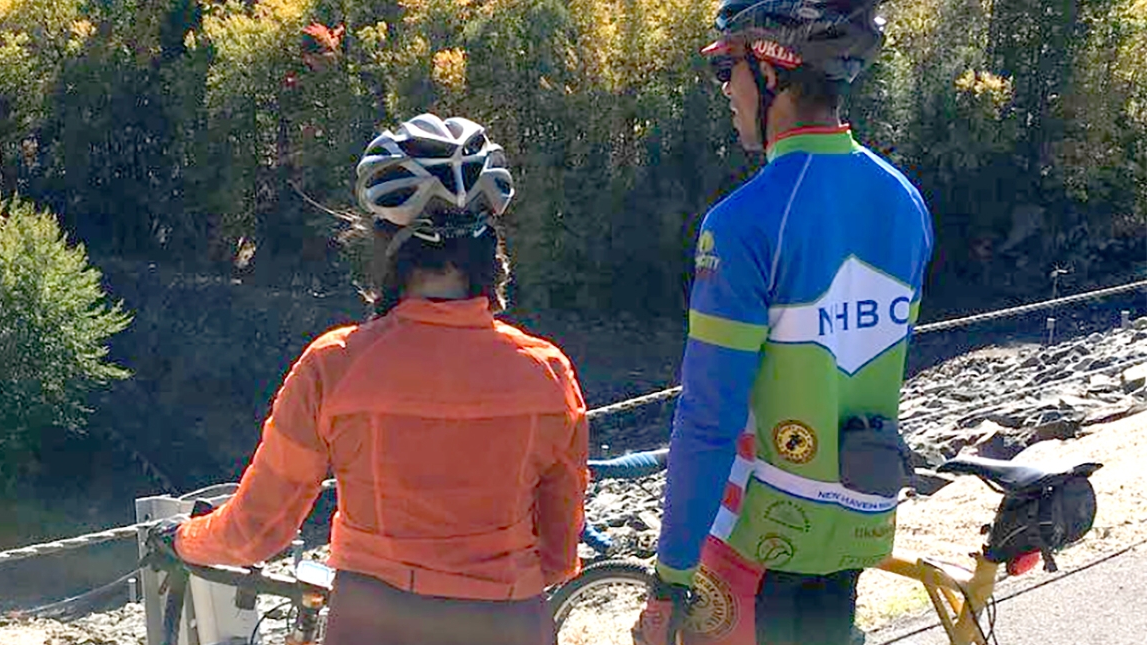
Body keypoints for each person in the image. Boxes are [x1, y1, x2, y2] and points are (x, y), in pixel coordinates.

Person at [150, 113, 590, 645]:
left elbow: (256, 533)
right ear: (487, 246)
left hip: (374, 623)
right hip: (508, 625)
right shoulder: (546, 371)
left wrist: (181, 540)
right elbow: (559, 555)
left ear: (384, 245)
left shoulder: (335, 366)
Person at [633, 1, 935, 644]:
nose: (725, 91)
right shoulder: (906, 203)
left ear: (772, 71)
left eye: (726, 71)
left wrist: (669, 577)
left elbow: (709, 419)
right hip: (859, 525)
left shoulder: (744, 222)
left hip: (756, 543)